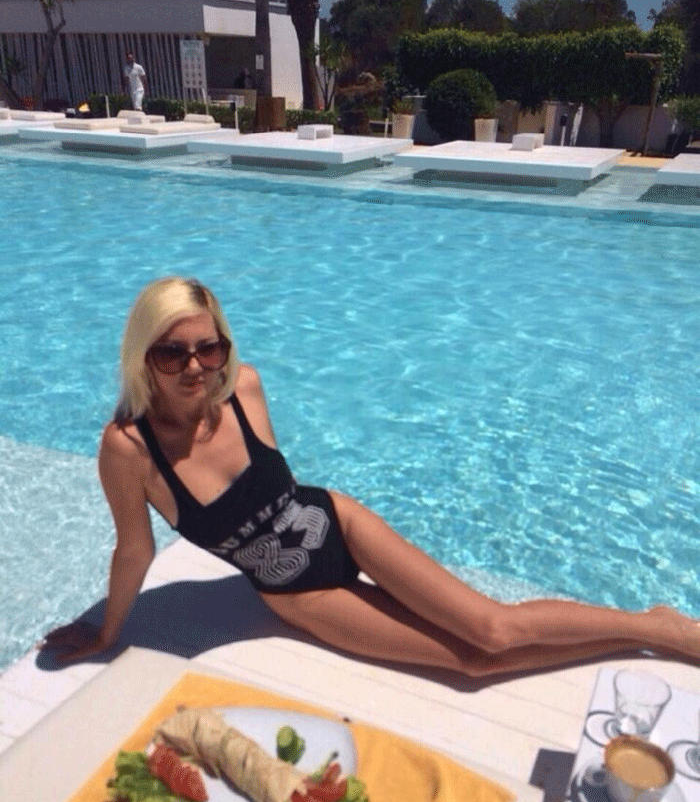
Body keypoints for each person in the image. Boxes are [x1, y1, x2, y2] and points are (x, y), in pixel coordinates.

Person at [43, 277, 700, 674]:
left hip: (340, 524)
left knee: (492, 628)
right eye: (172, 353)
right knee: (473, 663)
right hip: (295, 591)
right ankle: (634, 636)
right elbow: (135, 548)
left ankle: (655, 628)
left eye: (207, 347)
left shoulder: (244, 387)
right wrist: (107, 632)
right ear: (143, 356)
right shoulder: (128, 449)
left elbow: (276, 492)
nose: (194, 367)